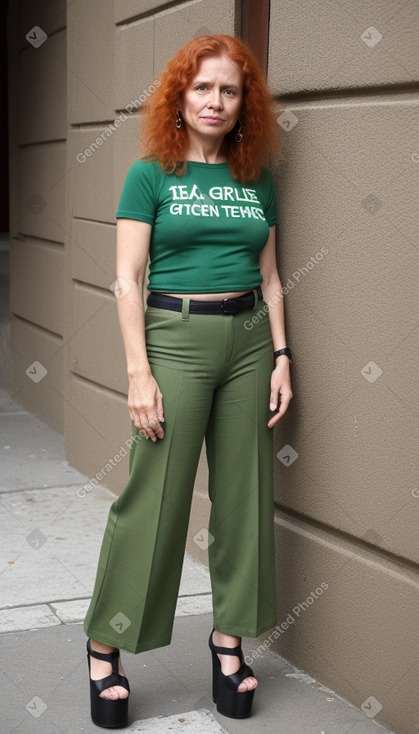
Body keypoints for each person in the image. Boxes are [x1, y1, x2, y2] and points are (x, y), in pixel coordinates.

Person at [83, 33, 292, 728]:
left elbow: (270, 278)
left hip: (248, 343)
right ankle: (105, 644)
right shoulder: (150, 175)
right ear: (180, 95)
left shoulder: (252, 177)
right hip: (172, 340)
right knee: (155, 500)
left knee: (243, 497)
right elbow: (125, 279)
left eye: (229, 90)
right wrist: (138, 373)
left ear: (244, 103)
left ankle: (228, 640)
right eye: (202, 87)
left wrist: (282, 356)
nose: (215, 101)